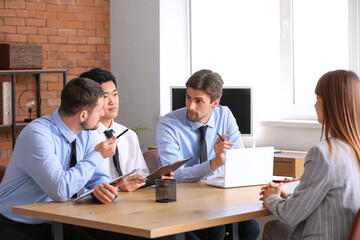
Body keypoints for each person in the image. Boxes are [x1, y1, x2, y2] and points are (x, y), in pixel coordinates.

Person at [0, 78, 142, 240]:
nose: (102, 114)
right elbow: (61, 191)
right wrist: (98, 155)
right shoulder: (37, 135)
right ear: (83, 115)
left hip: (58, 220)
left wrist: (105, 189)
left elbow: (97, 175)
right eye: (99, 111)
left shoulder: (86, 132)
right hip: (16, 222)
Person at [156, 69, 260, 240]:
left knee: (250, 228)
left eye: (198, 101)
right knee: (215, 231)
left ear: (214, 103)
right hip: (183, 200)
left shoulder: (224, 115)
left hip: (217, 198)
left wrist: (217, 165)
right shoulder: (168, 125)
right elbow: (177, 175)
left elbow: (238, 163)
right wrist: (214, 164)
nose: (190, 106)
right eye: (188, 97)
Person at [260, 70, 360, 239]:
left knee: (273, 228)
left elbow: (290, 215)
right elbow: (332, 199)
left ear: (331, 103)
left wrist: (272, 197)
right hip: (342, 233)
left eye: (317, 98)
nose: (314, 105)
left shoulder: (324, 153)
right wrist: (291, 197)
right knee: (274, 228)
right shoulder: (353, 149)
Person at [80, 68, 150, 191]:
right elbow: (80, 186)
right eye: (105, 96)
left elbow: (142, 173)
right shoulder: (82, 137)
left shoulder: (129, 135)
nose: (113, 101)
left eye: (115, 94)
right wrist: (117, 187)